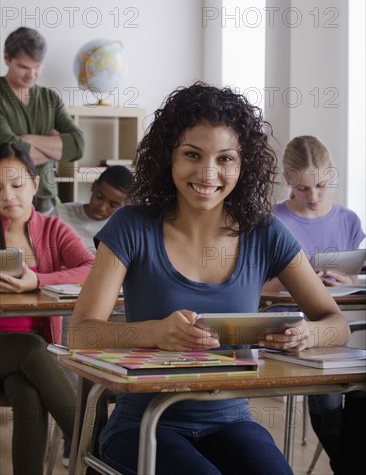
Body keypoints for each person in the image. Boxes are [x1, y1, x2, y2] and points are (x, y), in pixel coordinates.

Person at [69, 83, 350, 475]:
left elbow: (335, 323)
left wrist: (309, 335)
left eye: (225, 158)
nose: (208, 173)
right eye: (191, 155)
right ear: (167, 156)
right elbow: (81, 333)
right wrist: (154, 332)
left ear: (243, 164)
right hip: (142, 425)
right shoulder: (131, 226)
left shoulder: (264, 232)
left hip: (231, 420)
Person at [262, 135, 365, 475]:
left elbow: (353, 278)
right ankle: (349, 465)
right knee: (328, 398)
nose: (313, 197)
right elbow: (256, 287)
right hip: (289, 326)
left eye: (321, 186)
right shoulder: (271, 221)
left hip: (338, 324)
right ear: (289, 180)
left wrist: (343, 280)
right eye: (303, 189)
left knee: (361, 390)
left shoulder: (348, 220)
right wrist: (301, 278)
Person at [0, 142, 95, 475]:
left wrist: (36, 281)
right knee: (31, 347)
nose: (8, 195)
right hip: (25, 351)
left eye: (16, 184)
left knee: (28, 395)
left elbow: (91, 268)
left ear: (35, 184)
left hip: (28, 364)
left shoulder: (53, 229)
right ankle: (95, 451)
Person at [0, 27, 84, 213]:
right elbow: (8, 150)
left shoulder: (50, 98)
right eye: (23, 67)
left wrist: (27, 141)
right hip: (6, 201)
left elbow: (78, 145)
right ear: (7, 59)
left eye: (37, 66)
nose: (32, 74)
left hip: (45, 201)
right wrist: (54, 148)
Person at [50, 164, 134, 251]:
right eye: (99, 197)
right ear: (94, 186)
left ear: (124, 204)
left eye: (113, 205)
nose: (102, 207)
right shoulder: (60, 214)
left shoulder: (121, 231)